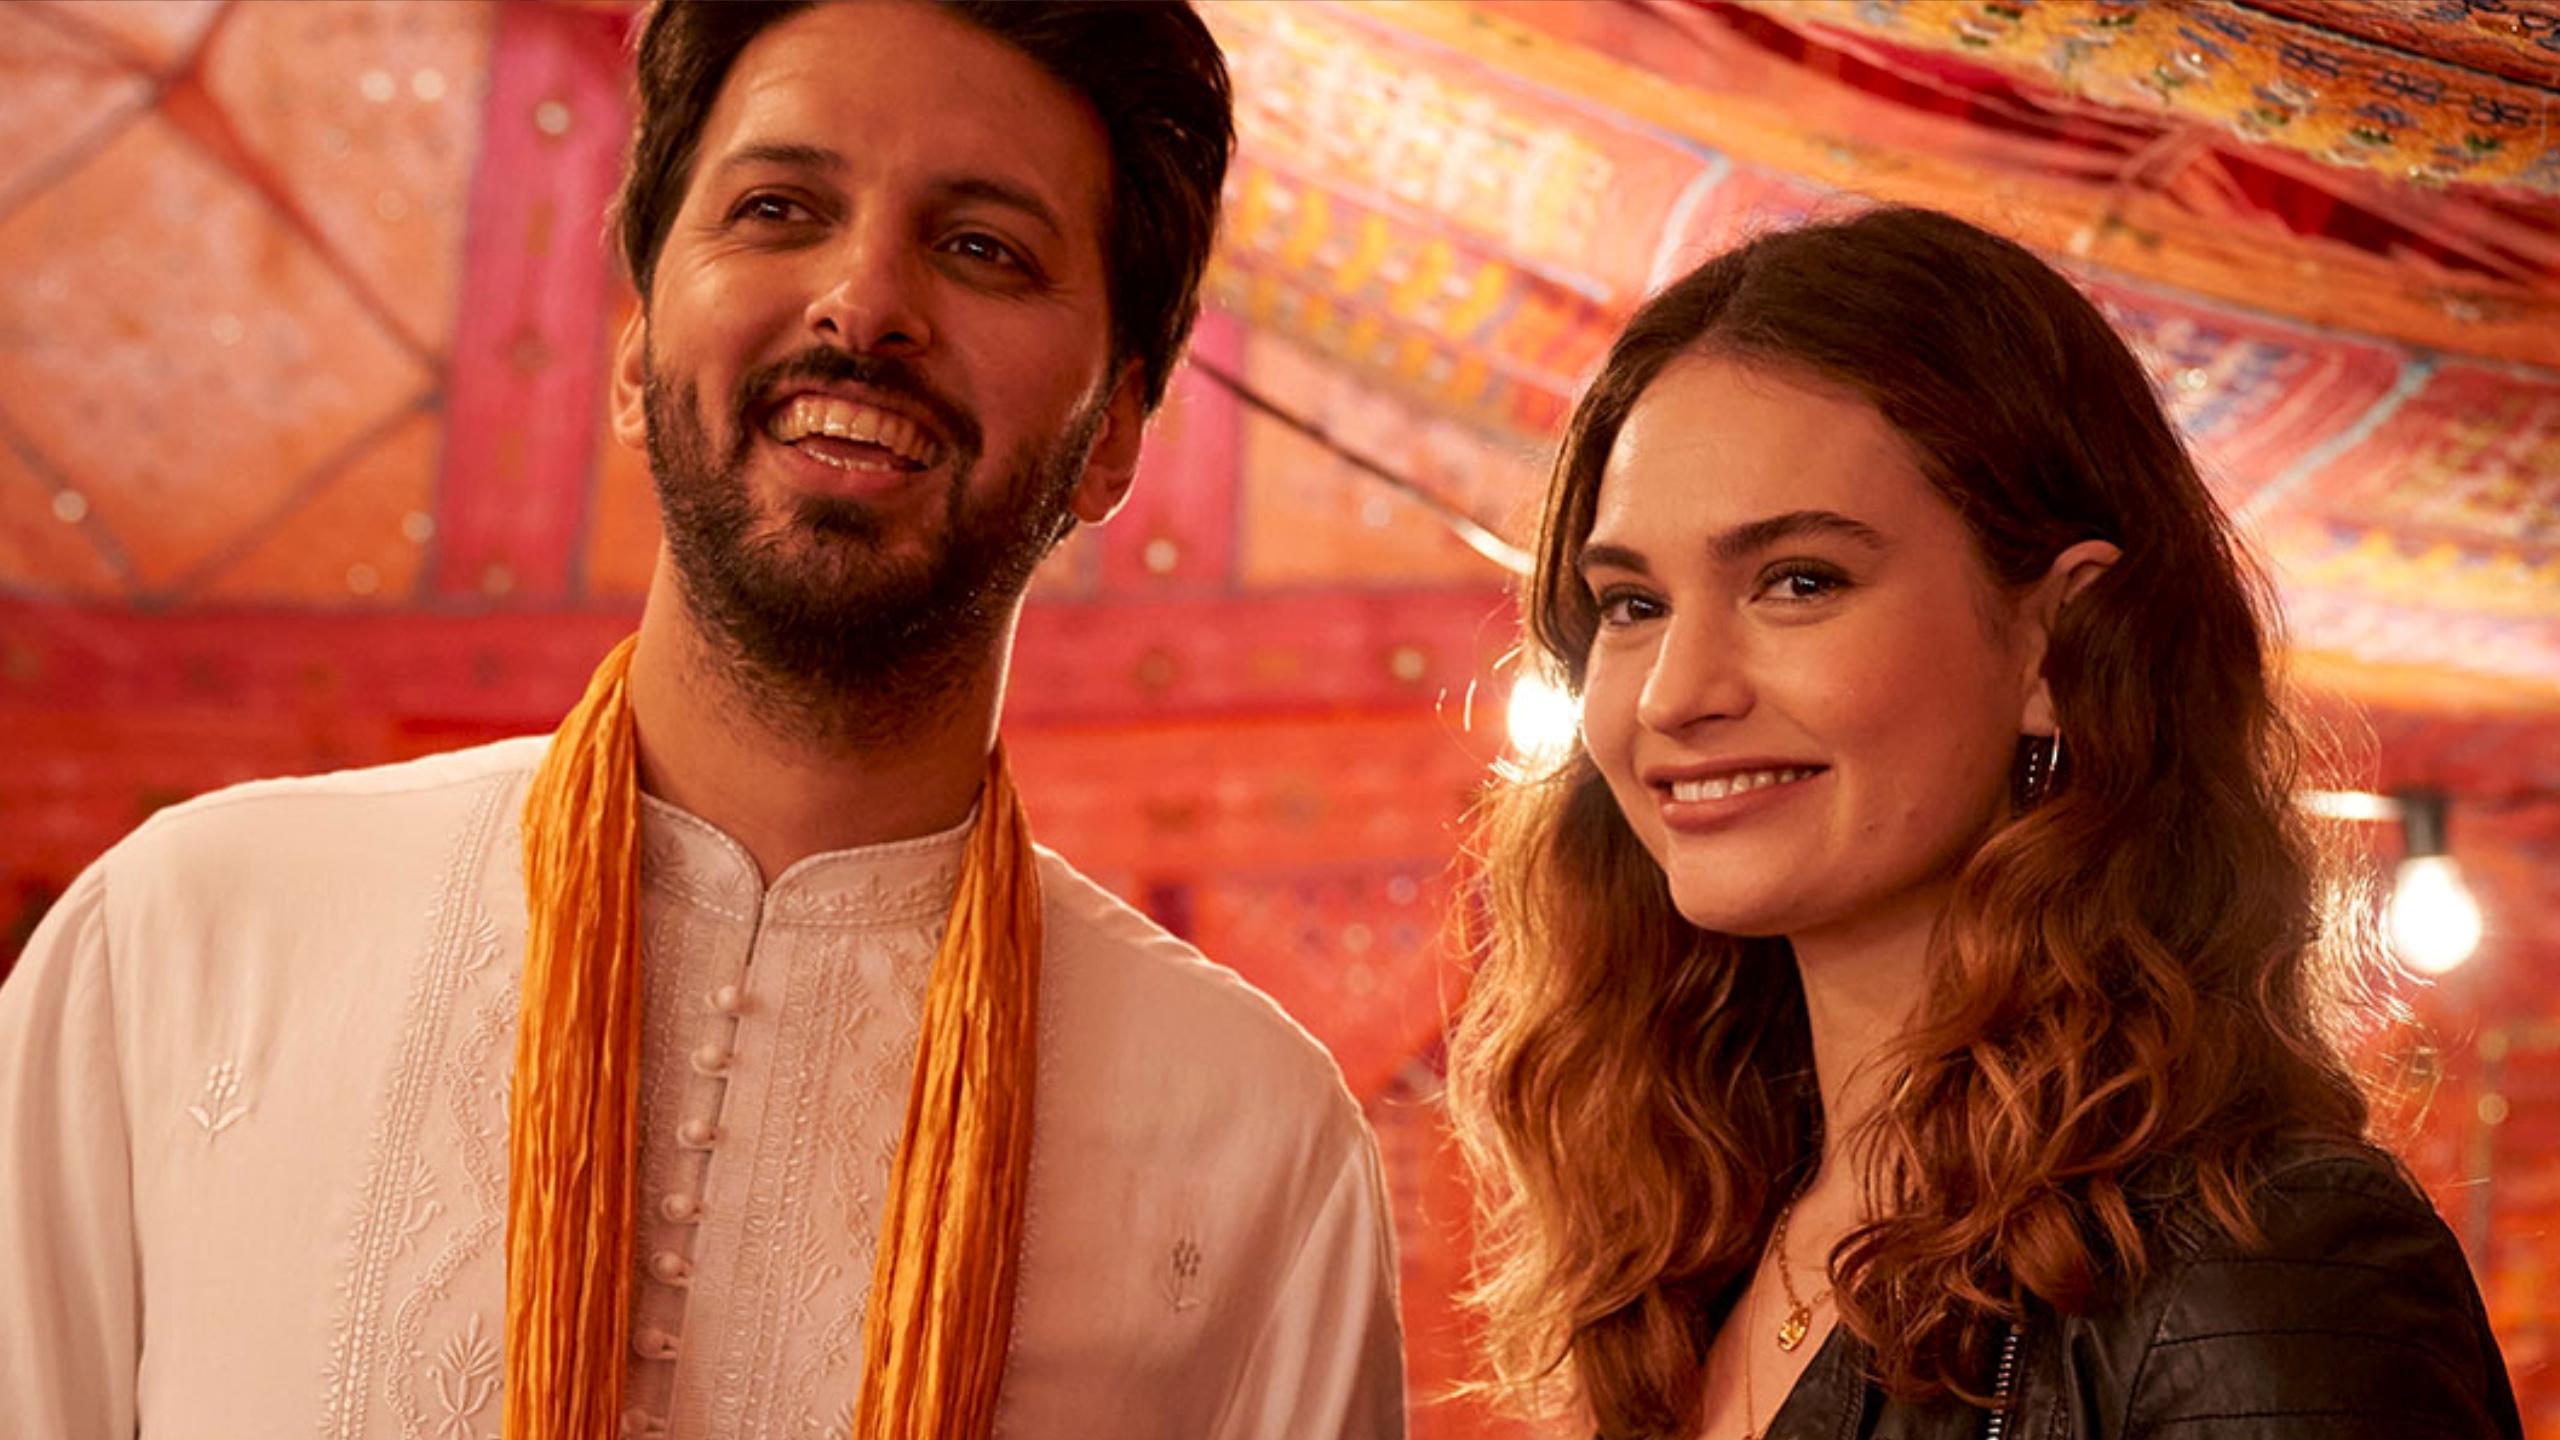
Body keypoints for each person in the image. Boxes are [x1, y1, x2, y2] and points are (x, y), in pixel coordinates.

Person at [0, 4, 1405, 1437]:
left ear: (1111, 434)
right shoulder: (186, 946)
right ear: (633, 341)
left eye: (983, 245)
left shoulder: (1257, 1153)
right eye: (778, 208)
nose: (864, 304)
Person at [1449, 206, 2521, 1440]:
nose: (1677, 692)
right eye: (1630, 603)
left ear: (2056, 641)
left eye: (1799, 581)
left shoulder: (2263, 1263)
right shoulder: (1684, 1250)